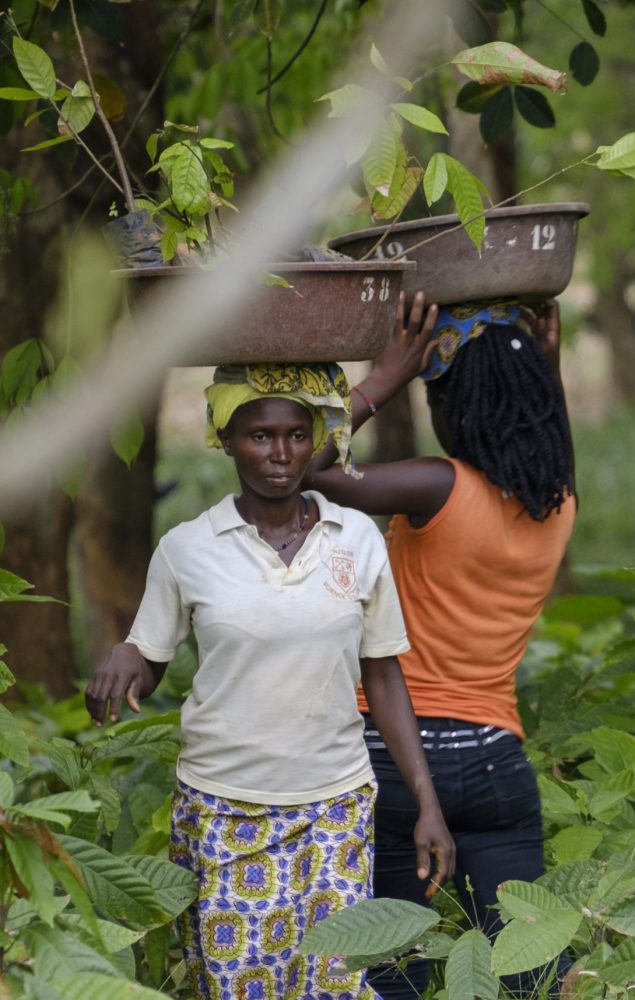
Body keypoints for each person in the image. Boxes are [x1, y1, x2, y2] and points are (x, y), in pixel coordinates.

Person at [85, 363, 455, 1000]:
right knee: (240, 986)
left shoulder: (358, 538)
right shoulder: (187, 549)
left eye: (295, 435)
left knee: (335, 985)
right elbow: (150, 658)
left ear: (316, 441)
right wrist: (124, 655)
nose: (280, 454)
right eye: (259, 436)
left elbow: (384, 674)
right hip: (226, 806)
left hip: (336, 805)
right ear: (225, 439)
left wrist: (427, 800)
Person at [307, 294, 577, 998]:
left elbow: (303, 469)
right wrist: (547, 365)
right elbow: (550, 440)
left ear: (456, 405)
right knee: (532, 973)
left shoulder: (438, 486)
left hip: (396, 762)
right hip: (497, 766)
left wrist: (387, 374)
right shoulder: (561, 504)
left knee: (395, 970)